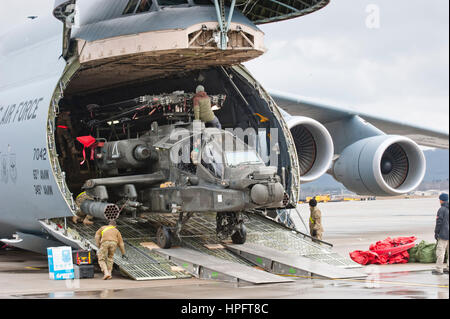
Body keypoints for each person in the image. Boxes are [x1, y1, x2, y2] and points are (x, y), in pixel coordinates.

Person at [433, 193, 449, 275]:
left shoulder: (442, 209)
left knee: (440, 252)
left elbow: (439, 222)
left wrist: (436, 232)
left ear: (441, 200)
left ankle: (439, 269)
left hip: (444, 234)